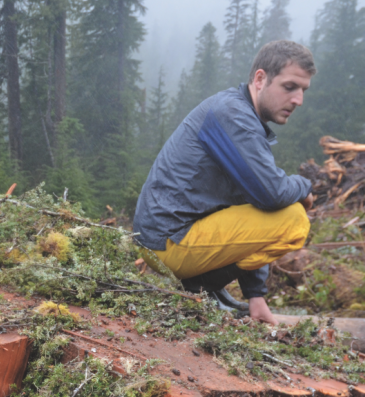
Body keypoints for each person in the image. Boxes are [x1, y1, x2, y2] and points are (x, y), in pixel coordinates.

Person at [133, 40, 316, 325]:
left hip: (168, 238)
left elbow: (253, 202)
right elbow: (272, 194)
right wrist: (304, 187)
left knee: (281, 211)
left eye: (303, 90)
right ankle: (198, 287)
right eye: (290, 87)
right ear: (260, 79)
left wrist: (256, 297)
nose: (298, 100)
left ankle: (209, 289)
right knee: (293, 219)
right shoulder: (233, 115)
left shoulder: (240, 115)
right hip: (168, 242)